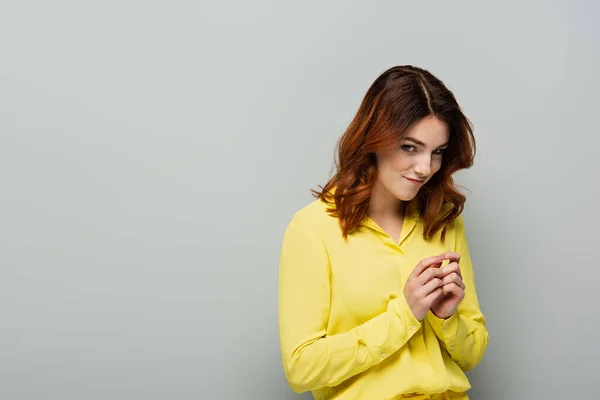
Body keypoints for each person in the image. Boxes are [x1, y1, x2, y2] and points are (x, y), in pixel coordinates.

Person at [277, 65, 489, 400]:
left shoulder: (444, 221)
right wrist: (405, 314)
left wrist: (445, 318)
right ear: (374, 139)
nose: (425, 168)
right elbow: (301, 367)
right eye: (409, 147)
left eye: (437, 152)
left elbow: (473, 353)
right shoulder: (313, 229)